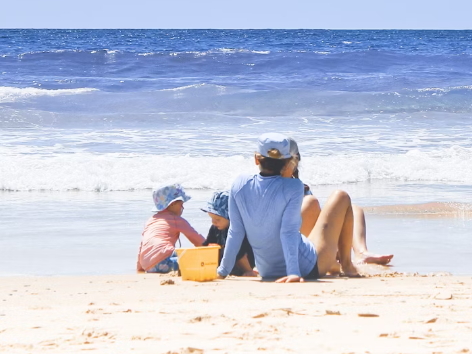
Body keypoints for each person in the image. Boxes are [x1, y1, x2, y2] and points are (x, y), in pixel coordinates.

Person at [217, 132, 359, 283]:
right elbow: (288, 231)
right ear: (288, 161)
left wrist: (222, 271)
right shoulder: (293, 186)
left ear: (256, 159)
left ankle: (334, 265)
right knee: (341, 196)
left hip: (267, 270)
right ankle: (347, 265)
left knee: (309, 205)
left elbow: (236, 231)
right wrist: (294, 272)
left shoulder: (239, 184)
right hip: (308, 267)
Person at [285, 138, 394, 266]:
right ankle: (340, 257)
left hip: (310, 238)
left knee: (354, 209)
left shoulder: (301, 187)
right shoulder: (277, 188)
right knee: (312, 204)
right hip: (295, 243)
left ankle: (361, 252)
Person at [137, 184, 205, 273]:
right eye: (181, 204)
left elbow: (141, 245)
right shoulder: (175, 220)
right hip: (164, 261)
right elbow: (196, 238)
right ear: (172, 204)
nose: (183, 207)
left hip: (147, 266)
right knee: (196, 259)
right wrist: (209, 249)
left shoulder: (150, 220)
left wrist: (139, 268)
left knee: (177, 254)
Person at [201, 191, 257, 276]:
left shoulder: (237, 230)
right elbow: (205, 246)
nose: (214, 222)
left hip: (245, 259)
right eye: (212, 218)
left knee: (234, 247)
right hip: (226, 262)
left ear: (231, 217)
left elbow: (243, 250)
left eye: (218, 219)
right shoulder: (215, 228)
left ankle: (248, 270)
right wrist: (209, 247)